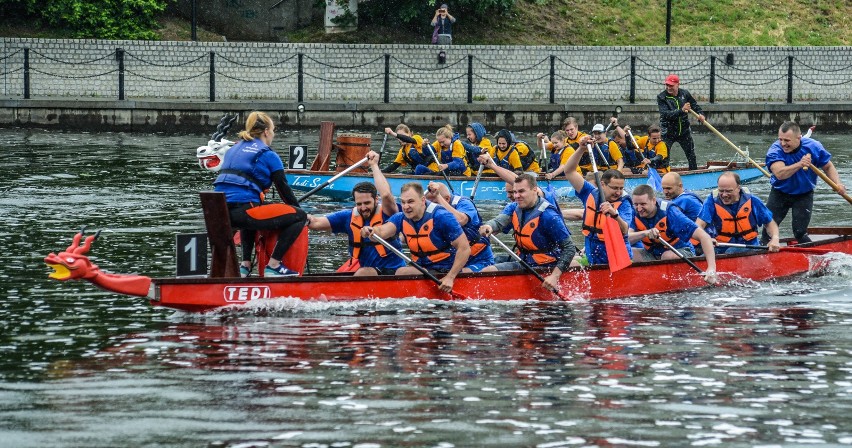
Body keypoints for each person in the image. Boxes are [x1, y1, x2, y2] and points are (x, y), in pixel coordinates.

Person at [213, 111, 307, 277]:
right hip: (244, 213)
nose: (273, 134)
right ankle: (274, 265)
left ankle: (244, 266)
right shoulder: (268, 154)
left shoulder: (232, 149)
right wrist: (301, 213)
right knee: (299, 216)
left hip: (219, 214)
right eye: (273, 130)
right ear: (265, 132)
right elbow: (283, 189)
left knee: (253, 208)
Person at [306, 150, 405, 276]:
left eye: (367, 203)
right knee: (363, 272)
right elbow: (316, 222)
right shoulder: (347, 217)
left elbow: (386, 194)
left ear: (376, 199)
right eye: (359, 204)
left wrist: (374, 165)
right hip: (370, 272)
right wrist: (304, 217)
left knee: (363, 272)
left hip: (395, 271)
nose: (363, 208)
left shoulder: (389, 212)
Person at [360, 182, 470, 293]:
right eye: (403, 202)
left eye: (410, 202)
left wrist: (450, 277)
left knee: (402, 272)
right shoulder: (401, 218)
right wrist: (371, 231)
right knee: (365, 272)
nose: (406, 207)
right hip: (422, 269)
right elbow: (382, 231)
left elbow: (464, 248)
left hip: (444, 272)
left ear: (422, 200)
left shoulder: (442, 216)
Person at [478, 173, 575, 292]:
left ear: (535, 190)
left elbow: (569, 248)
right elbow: (499, 222)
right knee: (488, 262)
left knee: (487, 271)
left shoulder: (549, 216)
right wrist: (488, 226)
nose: (516, 196)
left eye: (521, 191)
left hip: (543, 266)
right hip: (524, 260)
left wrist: (554, 276)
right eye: (515, 192)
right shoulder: (514, 207)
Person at [763, 121, 846, 244]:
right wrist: (800, 164)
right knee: (767, 231)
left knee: (800, 232)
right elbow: (780, 174)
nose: (783, 144)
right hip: (780, 193)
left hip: (804, 194)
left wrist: (838, 184)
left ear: (799, 137)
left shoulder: (814, 146)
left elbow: (828, 167)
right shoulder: (775, 150)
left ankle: (813, 256)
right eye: (780, 139)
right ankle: (762, 255)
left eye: (787, 140)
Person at [562, 142, 633, 266]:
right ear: (603, 184)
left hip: (616, 256)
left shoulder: (624, 202)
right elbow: (569, 171)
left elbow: (625, 230)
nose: (618, 192)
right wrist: (581, 149)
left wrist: (614, 214)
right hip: (592, 252)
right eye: (615, 188)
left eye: (621, 188)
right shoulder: (590, 192)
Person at [628, 185, 718, 283]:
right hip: (652, 254)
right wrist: (645, 233)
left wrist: (711, 269)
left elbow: (704, 237)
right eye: (636, 204)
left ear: (653, 201)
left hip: (682, 252)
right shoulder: (635, 212)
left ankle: (666, 282)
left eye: (643, 204)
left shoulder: (670, 213)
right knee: (626, 252)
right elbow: (627, 238)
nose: (639, 208)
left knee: (666, 256)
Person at [696, 172, 781, 254]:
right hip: (719, 248)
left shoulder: (753, 201)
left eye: (729, 191)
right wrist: (706, 238)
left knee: (732, 251)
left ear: (738, 188)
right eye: (721, 191)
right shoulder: (711, 202)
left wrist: (775, 238)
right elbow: (699, 225)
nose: (724, 195)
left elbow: (770, 223)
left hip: (748, 247)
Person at [425, 181, 494, 272]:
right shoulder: (430, 210)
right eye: (428, 204)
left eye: (434, 203)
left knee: (460, 272)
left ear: (446, 199)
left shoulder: (464, 203)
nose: (430, 207)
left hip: (479, 261)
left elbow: (461, 220)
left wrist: (438, 197)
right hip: (451, 261)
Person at [657, 73, 704, 171]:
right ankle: (664, 175)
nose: (668, 88)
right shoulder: (662, 97)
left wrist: (701, 114)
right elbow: (666, 114)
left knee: (691, 155)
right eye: (667, 85)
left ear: (678, 85)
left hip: (684, 131)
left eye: (671, 85)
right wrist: (681, 110)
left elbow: (694, 105)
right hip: (668, 132)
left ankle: (694, 173)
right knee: (664, 157)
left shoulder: (685, 94)